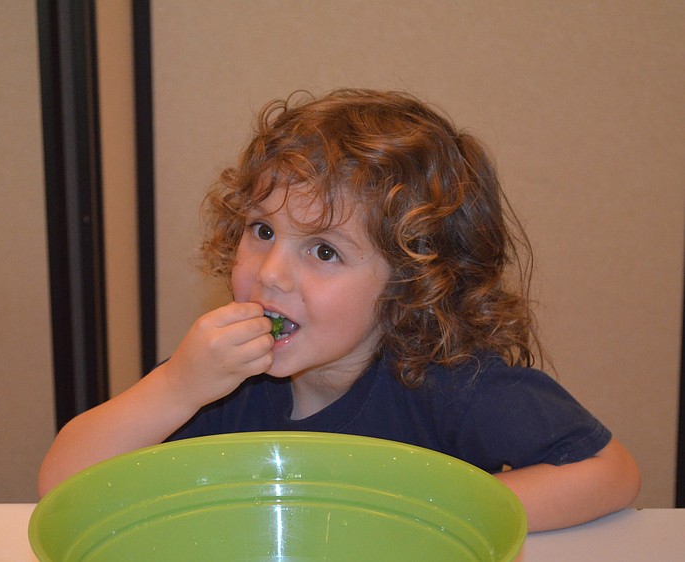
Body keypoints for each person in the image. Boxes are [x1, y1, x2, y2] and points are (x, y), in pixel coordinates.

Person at [37, 89, 640, 531]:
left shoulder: (452, 385)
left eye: (324, 250)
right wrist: (175, 386)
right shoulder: (221, 381)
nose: (271, 273)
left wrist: (438, 508)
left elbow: (611, 472)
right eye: (261, 230)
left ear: (412, 282)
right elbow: (61, 484)